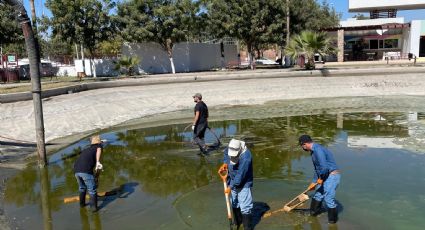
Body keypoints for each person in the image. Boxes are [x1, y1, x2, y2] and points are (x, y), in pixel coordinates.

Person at [299, 135, 341, 224]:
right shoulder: (313, 151)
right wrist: (313, 182)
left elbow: (324, 167)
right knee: (318, 195)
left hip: (331, 176)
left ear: (304, 144)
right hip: (325, 175)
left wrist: (321, 179)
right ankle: (313, 212)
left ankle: (332, 221)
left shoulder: (318, 150)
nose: (302, 148)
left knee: (328, 198)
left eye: (302, 146)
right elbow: (317, 169)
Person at [221, 139, 254, 230]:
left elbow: (240, 176)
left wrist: (230, 187)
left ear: (239, 151)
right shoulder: (231, 147)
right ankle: (237, 223)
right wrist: (225, 164)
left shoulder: (246, 157)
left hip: (244, 182)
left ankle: (248, 227)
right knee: (234, 202)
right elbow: (226, 154)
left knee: (245, 207)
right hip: (232, 178)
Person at [74, 135, 104, 212]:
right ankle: (94, 209)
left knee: (82, 188)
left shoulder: (87, 149)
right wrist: (97, 162)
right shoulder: (98, 147)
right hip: (85, 171)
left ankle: (82, 205)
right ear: (99, 142)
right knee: (92, 190)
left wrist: (95, 176)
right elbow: (99, 150)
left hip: (76, 171)